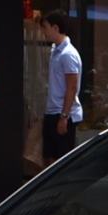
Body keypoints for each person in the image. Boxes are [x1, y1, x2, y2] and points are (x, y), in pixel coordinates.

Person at [39, 10, 84, 161]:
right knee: (49, 157)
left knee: (61, 159)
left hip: (62, 113)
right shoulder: (56, 51)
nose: (43, 31)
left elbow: (72, 86)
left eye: (45, 27)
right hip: (52, 111)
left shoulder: (68, 54)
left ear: (55, 28)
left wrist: (64, 116)